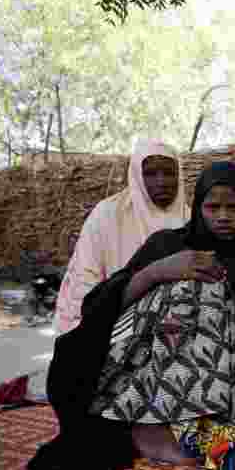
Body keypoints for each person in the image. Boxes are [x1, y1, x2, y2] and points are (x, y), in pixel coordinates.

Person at [29, 162, 235, 470]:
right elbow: (99, 305)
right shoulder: (165, 244)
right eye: (211, 207)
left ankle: (189, 425)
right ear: (198, 206)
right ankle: (150, 427)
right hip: (146, 369)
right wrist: (159, 271)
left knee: (214, 297)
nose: (222, 216)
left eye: (233, 207)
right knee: (193, 291)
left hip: (214, 378)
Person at [53, 139, 187, 336]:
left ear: (179, 176)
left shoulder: (190, 219)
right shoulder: (108, 215)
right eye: (150, 173)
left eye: (169, 173)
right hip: (113, 322)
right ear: (136, 176)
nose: (161, 181)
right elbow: (85, 279)